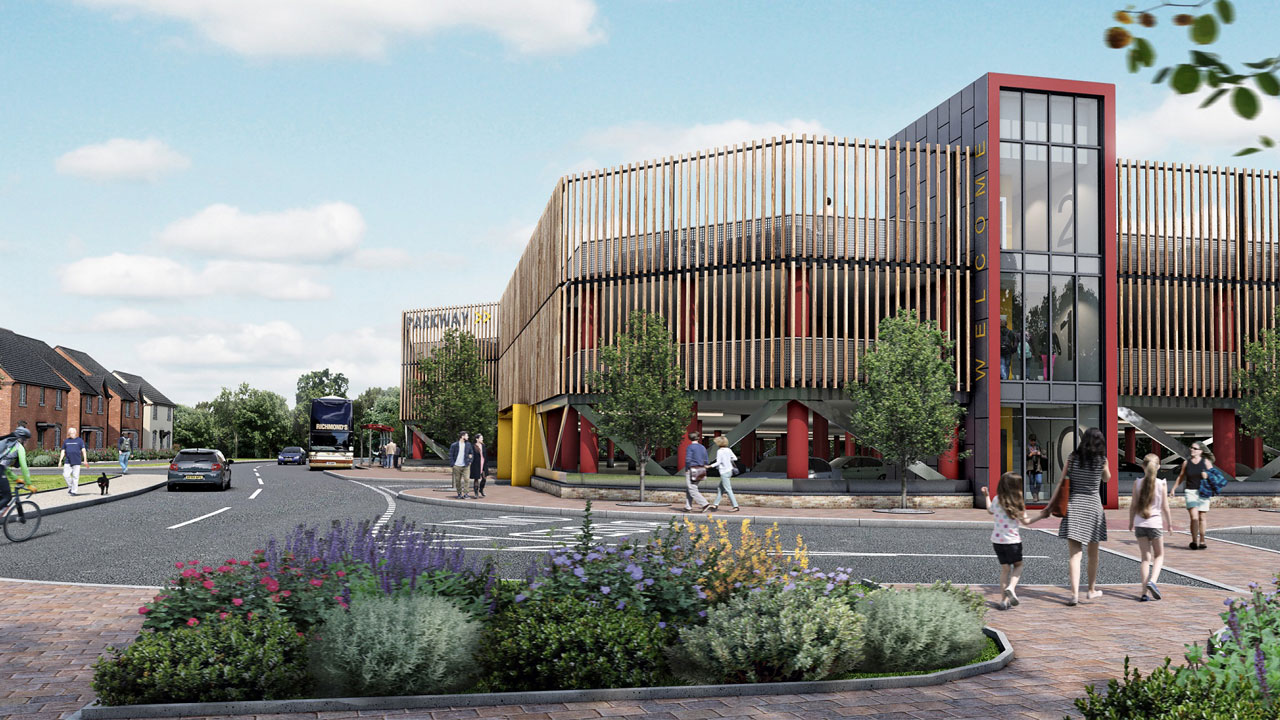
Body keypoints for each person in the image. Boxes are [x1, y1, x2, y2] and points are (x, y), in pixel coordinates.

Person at [1036, 426, 1110, 606]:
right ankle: (1091, 590)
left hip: (1075, 505)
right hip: (1093, 507)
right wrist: (1105, 465)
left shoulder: (1072, 458)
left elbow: (1061, 482)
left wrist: (1049, 506)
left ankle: (1074, 594)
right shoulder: (1102, 460)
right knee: (1093, 554)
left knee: (1075, 555)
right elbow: (1107, 479)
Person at [981, 472, 1031, 610]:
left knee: (1005, 570)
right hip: (1013, 541)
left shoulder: (997, 499)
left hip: (997, 541)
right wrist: (1042, 515)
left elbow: (990, 510)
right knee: (1018, 566)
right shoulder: (1017, 502)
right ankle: (1011, 587)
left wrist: (986, 496)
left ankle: (1003, 600)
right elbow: (1026, 521)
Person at [1129, 453, 1172, 601]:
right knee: (1159, 555)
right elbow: (1165, 507)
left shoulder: (1137, 483)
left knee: (1145, 558)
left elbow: (1133, 506)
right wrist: (1170, 524)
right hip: (1155, 524)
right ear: (1158, 466)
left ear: (1142, 467)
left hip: (1140, 523)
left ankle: (1143, 593)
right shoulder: (1162, 484)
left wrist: (1130, 522)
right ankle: (1153, 581)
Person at [1170, 442, 1213, 550]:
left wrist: (1207, 476)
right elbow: (1181, 476)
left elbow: (1214, 476)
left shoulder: (1206, 462)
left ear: (1200, 451)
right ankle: (1194, 541)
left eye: (1195, 448)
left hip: (1203, 492)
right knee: (1194, 517)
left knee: (1202, 517)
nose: (1192, 449)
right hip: (1190, 492)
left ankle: (1202, 540)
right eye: (1191, 447)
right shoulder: (1186, 463)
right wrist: (1173, 489)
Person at [0, 427, 33, 510]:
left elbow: (4, 467)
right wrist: (29, 484)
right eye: (26, 440)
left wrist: (16, 479)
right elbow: (24, 467)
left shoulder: (7, 444)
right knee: (7, 497)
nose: (26, 442)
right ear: (22, 439)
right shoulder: (19, 447)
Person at [682, 431, 711, 513]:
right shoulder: (702, 447)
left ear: (689, 438)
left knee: (692, 488)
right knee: (691, 488)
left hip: (692, 469)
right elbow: (706, 459)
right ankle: (688, 506)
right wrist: (705, 467)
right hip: (701, 469)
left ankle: (705, 504)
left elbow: (688, 459)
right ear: (698, 438)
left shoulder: (690, 447)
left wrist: (687, 468)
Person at [709, 435, 739, 512]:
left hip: (724, 472)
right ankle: (715, 504)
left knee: (728, 490)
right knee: (720, 488)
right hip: (730, 471)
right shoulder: (728, 450)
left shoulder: (720, 451)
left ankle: (735, 506)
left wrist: (709, 466)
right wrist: (728, 460)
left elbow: (718, 462)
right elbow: (735, 458)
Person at [59, 427, 87, 496]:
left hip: (77, 461)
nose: (72, 434)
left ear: (75, 433)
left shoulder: (80, 441)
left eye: (73, 433)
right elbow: (63, 451)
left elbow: (83, 450)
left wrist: (85, 459)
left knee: (75, 477)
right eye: (70, 433)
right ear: (69, 433)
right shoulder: (66, 441)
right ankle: (71, 487)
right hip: (68, 461)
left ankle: (74, 491)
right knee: (65, 475)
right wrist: (60, 460)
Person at [447, 431, 473, 499]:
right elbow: (450, 455)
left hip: (466, 465)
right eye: (467, 436)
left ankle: (466, 493)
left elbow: (471, 453)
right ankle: (459, 493)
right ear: (462, 436)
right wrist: (453, 464)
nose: (468, 437)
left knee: (467, 479)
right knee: (457, 480)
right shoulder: (454, 445)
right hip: (457, 465)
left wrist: (470, 461)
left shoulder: (468, 444)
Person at [1026, 434, 1045, 501]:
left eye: (1034, 441)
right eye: (1032, 441)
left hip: (1038, 467)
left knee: (1039, 482)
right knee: (1031, 482)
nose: (1033, 442)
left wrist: (1040, 453)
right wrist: (1031, 454)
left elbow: (1044, 454)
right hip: (1030, 467)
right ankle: (1034, 495)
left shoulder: (1038, 447)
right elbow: (1025, 456)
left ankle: (1036, 493)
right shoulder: (1027, 447)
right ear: (1029, 440)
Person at [470, 434, 487, 498]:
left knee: (484, 478)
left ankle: (481, 490)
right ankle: (476, 493)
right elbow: (471, 455)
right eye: (481, 438)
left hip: (483, 464)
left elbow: (485, 455)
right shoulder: (473, 446)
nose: (482, 439)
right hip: (476, 464)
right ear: (477, 439)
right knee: (476, 479)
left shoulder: (483, 446)